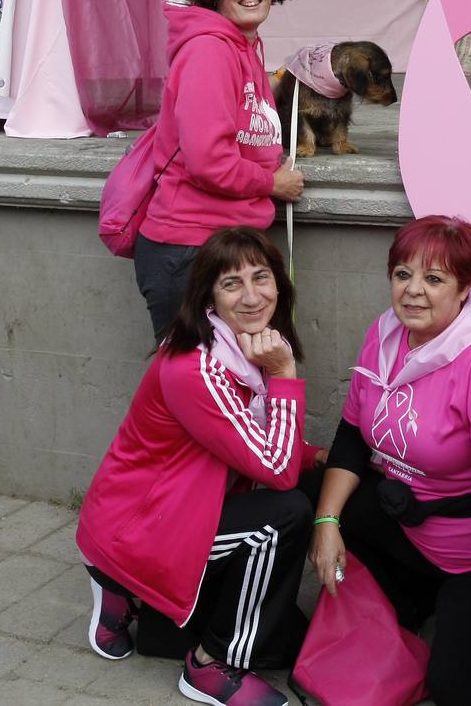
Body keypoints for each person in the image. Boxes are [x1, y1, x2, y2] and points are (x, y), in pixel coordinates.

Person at [77, 226, 324, 706]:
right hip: (140, 526)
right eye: (232, 283)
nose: (252, 296)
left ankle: (134, 600)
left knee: (286, 638)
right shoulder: (197, 367)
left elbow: (252, 442)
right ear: (208, 293)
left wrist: (321, 457)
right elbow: (276, 470)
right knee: (283, 516)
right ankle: (211, 665)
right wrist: (284, 376)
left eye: (262, 278)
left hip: (185, 507)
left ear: (280, 284)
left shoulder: (237, 349)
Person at [308, 215, 471, 706]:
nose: (413, 291)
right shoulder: (386, 332)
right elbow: (351, 438)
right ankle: (408, 602)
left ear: (465, 289)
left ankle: (448, 612)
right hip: (405, 524)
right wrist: (326, 523)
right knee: (312, 492)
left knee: (455, 690)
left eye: (434, 279)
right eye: (402, 274)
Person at [135, 0, 306, 340]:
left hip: (226, 248)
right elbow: (208, 160)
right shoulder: (209, 52)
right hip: (191, 252)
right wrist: (271, 182)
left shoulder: (245, 48)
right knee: (201, 393)